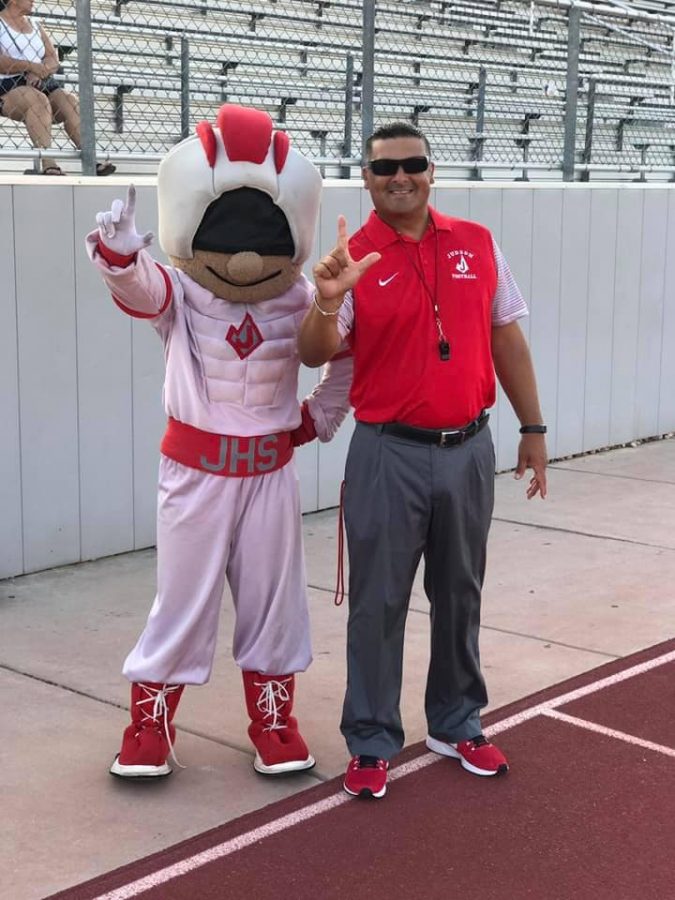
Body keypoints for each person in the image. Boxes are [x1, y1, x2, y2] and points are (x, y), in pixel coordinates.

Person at [86, 103, 351, 780]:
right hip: (195, 471)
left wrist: (317, 417)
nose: (243, 250)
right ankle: (150, 722)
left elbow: (344, 354)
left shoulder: (302, 297)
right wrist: (118, 256)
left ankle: (272, 717)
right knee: (181, 599)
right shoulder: (179, 290)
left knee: (274, 599)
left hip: (268, 471)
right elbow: (141, 291)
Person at [298, 121, 548, 800]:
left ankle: (456, 721)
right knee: (377, 603)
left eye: (412, 164)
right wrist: (328, 300)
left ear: (431, 171)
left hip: (468, 448)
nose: (399, 176)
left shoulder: (476, 242)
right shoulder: (350, 258)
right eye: (385, 169)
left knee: (460, 592)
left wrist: (532, 426)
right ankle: (373, 738)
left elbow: (507, 338)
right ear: (368, 179)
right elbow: (314, 354)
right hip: (388, 453)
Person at [0, 0, 115, 175]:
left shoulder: (35, 25)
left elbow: (53, 58)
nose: (33, 1)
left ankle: (92, 160)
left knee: (69, 100)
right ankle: (49, 163)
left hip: (40, 81)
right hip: (8, 87)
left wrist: (39, 71)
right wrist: (30, 66)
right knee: (37, 100)